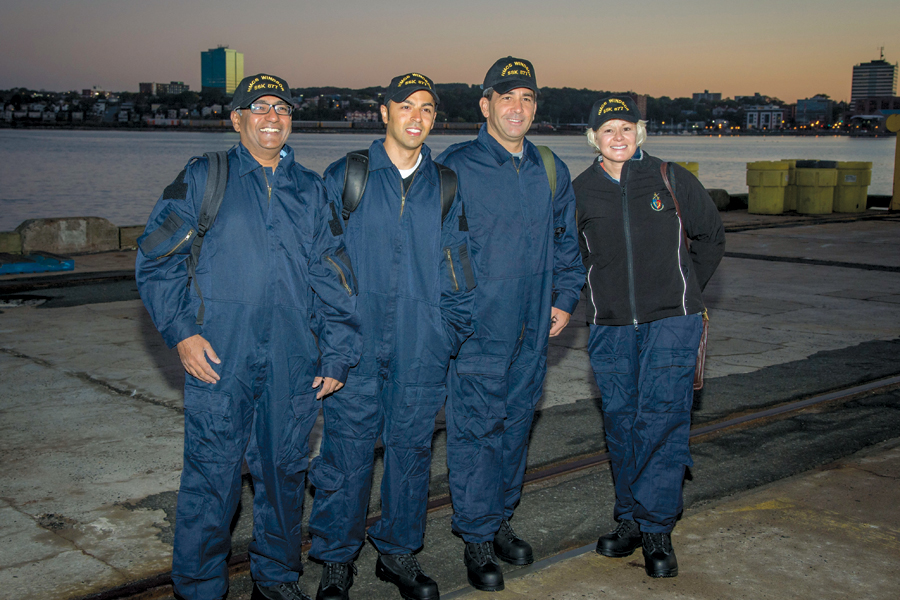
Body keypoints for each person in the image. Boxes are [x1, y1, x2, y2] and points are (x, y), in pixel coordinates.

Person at [136, 73, 361, 600]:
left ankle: (276, 578)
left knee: (284, 476)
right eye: (258, 108)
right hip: (221, 355)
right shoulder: (204, 177)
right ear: (236, 119)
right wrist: (183, 333)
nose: (271, 118)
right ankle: (197, 589)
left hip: (293, 358)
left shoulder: (310, 189)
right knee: (211, 482)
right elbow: (156, 259)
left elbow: (336, 279)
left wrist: (337, 353)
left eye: (281, 109)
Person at [307, 72, 475, 600]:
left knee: (411, 452)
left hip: (421, 346)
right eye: (407, 106)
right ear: (385, 112)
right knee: (346, 452)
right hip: (356, 345)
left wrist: (448, 333)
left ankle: (398, 552)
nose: (417, 117)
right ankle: (337, 559)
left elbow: (460, 268)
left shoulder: (445, 184)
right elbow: (321, 262)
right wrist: (333, 338)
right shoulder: (347, 175)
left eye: (427, 109)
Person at [437, 57, 584, 592]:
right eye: (506, 97)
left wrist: (566, 299)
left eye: (526, 98)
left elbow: (569, 243)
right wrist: (461, 313)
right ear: (485, 105)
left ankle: (499, 520)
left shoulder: (550, 168)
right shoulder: (456, 165)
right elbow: (437, 248)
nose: (517, 108)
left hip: (533, 330)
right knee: (476, 432)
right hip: (480, 330)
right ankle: (475, 538)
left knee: (517, 425)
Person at [573, 96, 725, 578]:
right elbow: (570, 261)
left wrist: (685, 290)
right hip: (610, 327)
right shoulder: (579, 192)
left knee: (661, 420)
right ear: (593, 137)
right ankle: (630, 519)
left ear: (639, 133)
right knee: (621, 422)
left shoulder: (669, 178)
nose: (617, 137)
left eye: (625, 128)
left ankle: (657, 528)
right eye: (607, 130)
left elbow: (711, 236)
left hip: (672, 324)